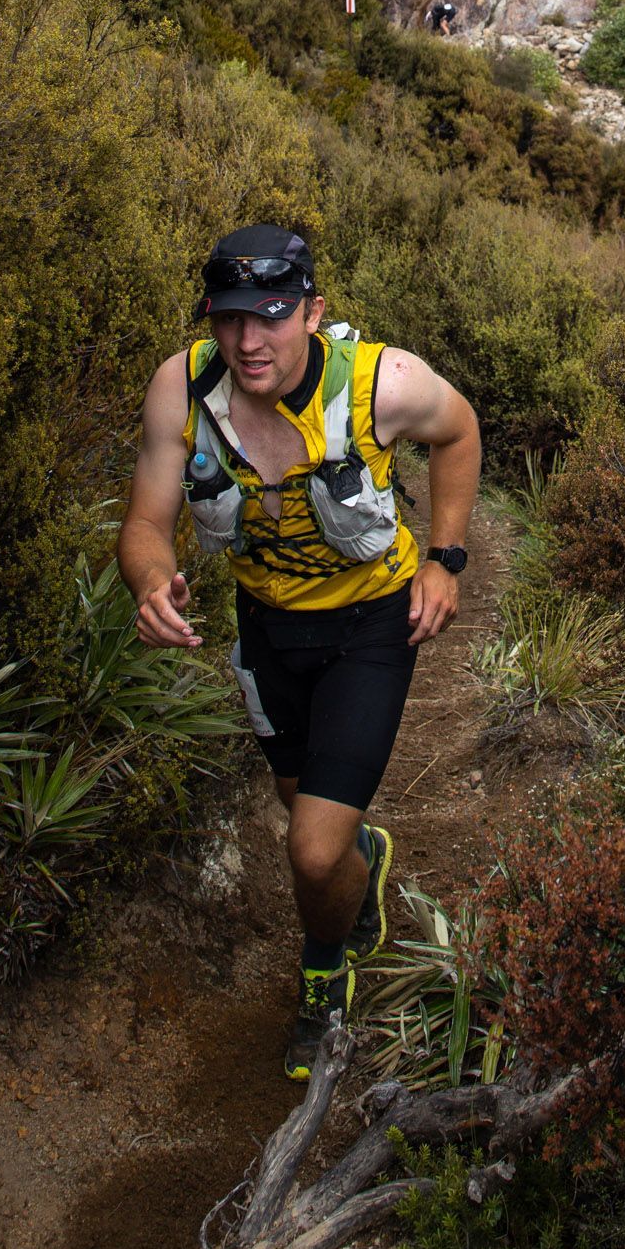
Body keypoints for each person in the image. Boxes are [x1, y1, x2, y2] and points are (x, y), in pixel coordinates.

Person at [118, 224, 480, 1081]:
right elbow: (144, 522)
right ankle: (364, 862)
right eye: (230, 318)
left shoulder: (380, 386)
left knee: (312, 851)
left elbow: (458, 432)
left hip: (370, 627)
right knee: (302, 809)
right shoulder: (183, 388)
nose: (249, 342)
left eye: (271, 317)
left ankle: (325, 971)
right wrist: (151, 580)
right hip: (268, 630)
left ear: (313, 313)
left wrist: (445, 557)